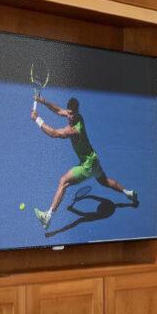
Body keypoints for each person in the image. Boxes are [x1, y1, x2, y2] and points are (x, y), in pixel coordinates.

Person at [31, 92, 137, 230]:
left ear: (77, 112)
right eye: (69, 113)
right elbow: (58, 110)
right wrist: (42, 101)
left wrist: (37, 119)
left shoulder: (75, 130)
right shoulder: (77, 116)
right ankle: (128, 193)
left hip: (87, 166)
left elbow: (54, 133)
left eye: (72, 114)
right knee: (104, 181)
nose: (70, 116)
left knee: (63, 181)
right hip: (94, 160)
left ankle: (47, 217)